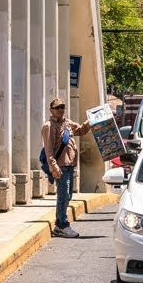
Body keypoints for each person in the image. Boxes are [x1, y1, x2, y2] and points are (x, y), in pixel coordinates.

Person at [42, 96, 91, 238]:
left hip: (70, 164)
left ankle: (59, 224)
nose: (60, 110)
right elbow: (49, 149)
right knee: (63, 196)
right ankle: (62, 224)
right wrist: (53, 166)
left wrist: (90, 121)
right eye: (57, 107)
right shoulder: (49, 126)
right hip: (60, 165)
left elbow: (81, 130)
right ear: (51, 110)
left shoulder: (67, 123)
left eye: (62, 107)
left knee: (68, 195)